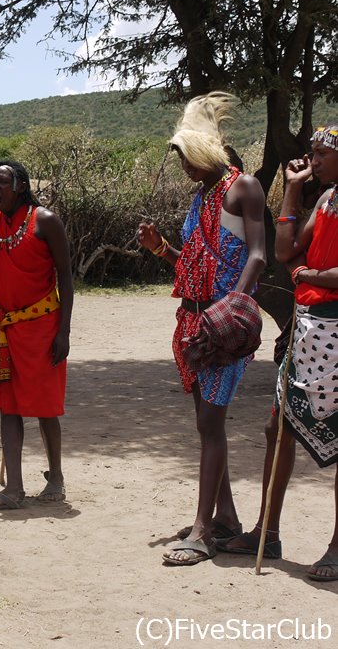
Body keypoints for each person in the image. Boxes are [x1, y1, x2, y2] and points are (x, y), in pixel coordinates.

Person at [137, 92, 266, 565]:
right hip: (193, 321)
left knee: (210, 424)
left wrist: (235, 304)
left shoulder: (243, 187)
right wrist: (160, 248)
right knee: (205, 424)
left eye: (188, 156)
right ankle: (224, 517)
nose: (185, 166)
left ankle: (201, 530)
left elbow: (258, 255)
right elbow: (192, 264)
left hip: (223, 326)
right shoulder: (202, 197)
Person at [218, 125, 338, 581]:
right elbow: (285, 249)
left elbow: (303, 266)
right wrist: (290, 189)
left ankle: (337, 547)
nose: (315, 159)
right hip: (308, 330)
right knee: (278, 426)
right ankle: (267, 532)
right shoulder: (326, 201)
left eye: (322, 153)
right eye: (313, 152)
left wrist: (310, 276)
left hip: (335, 329)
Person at [0, 161, 73, 510]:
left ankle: (56, 478)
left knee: (45, 407)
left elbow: (66, 277)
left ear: (20, 185)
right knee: (9, 407)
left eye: (2, 182)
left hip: (43, 326)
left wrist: (64, 332)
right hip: (7, 327)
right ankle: (13, 489)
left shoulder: (45, 221)